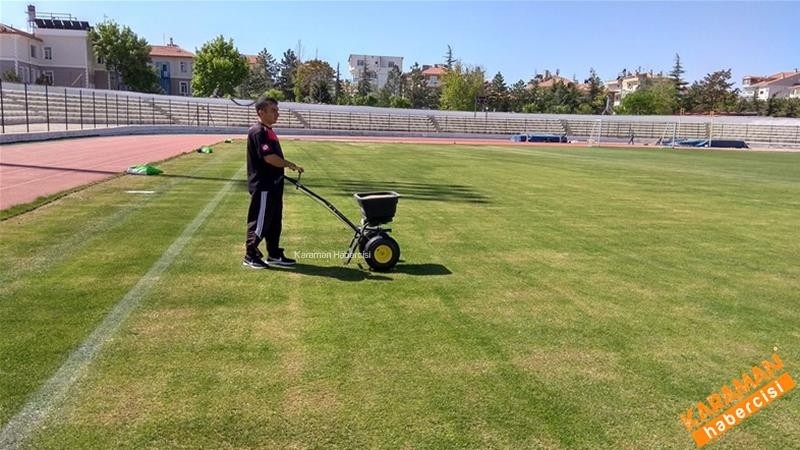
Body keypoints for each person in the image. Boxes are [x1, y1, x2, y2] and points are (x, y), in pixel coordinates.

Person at [243, 97, 304, 269]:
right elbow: (269, 158)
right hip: (264, 186)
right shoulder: (258, 132)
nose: (277, 114)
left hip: (274, 185)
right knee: (260, 221)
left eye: (277, 110)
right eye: (273, 110)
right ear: (261, 112)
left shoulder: (268, 131)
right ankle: (251, 255)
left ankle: (274, 253)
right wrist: (290, 165)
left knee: (274, 222)